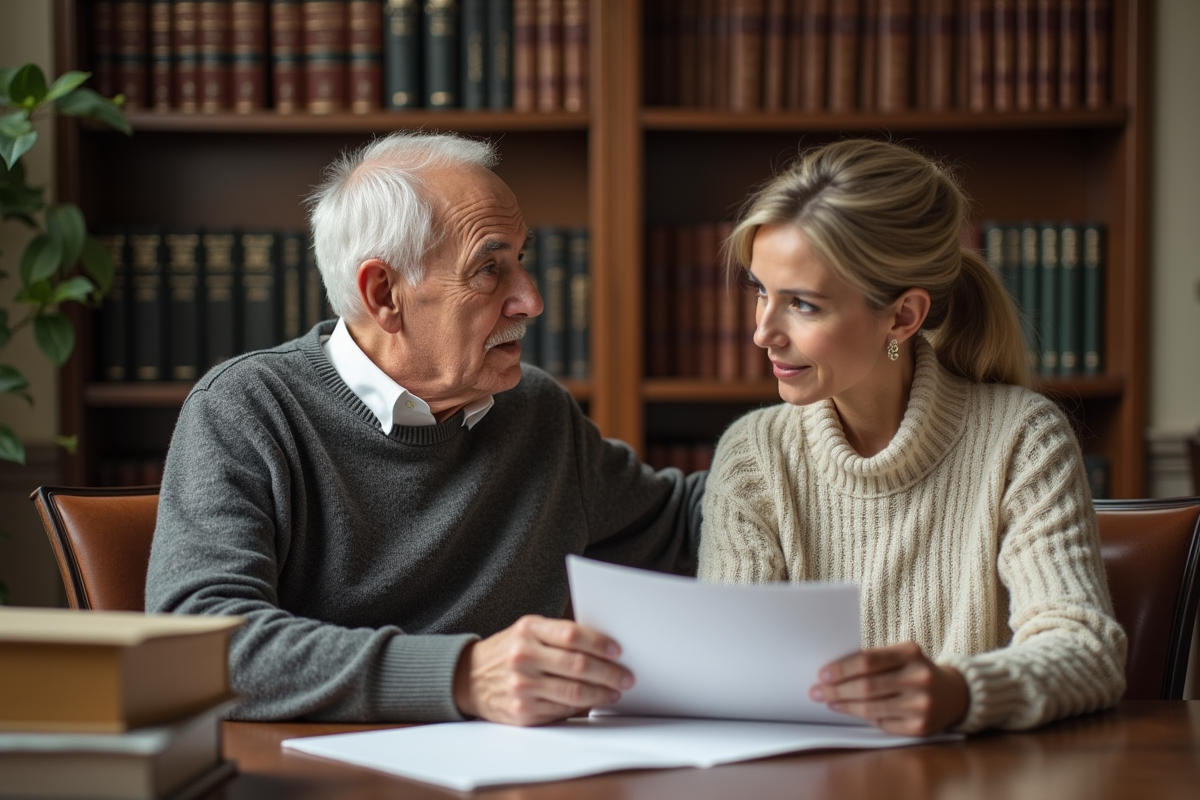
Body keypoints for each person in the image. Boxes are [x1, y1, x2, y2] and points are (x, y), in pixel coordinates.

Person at [145, 132, 704, 727]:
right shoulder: (248, 409)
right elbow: (200, 643)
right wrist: (462, 677)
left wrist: (812, 409)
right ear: (383, 293)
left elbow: (686, 524)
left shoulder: (537, 411)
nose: (532, 300)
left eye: (522, 259)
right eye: (489, 269)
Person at [698, 139, 1126, 736]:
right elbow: (726, 669)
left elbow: (1086, 650)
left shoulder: (1023, 439)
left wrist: (961, 692)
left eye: (802, 304)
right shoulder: (753, 455)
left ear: (902, 317)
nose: (762, 333)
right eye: (760, 292)